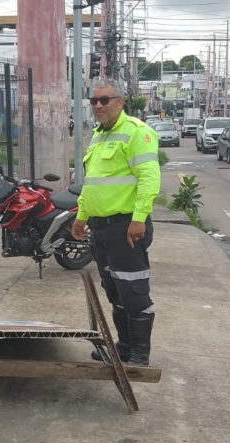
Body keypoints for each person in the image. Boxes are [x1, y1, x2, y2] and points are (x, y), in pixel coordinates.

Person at [71, 79, 160, 366]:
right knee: (115, 290)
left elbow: (149, 177)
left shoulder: (136, 132)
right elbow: (91, 184)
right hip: (100, 228)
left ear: (119, 103)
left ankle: (139, 354)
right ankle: (123, 347)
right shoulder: (98, 136)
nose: (98, 105)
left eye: (105, 100)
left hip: (126, 227)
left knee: (133, 290)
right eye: (94, 100)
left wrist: (139, 219)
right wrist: (81, 217)